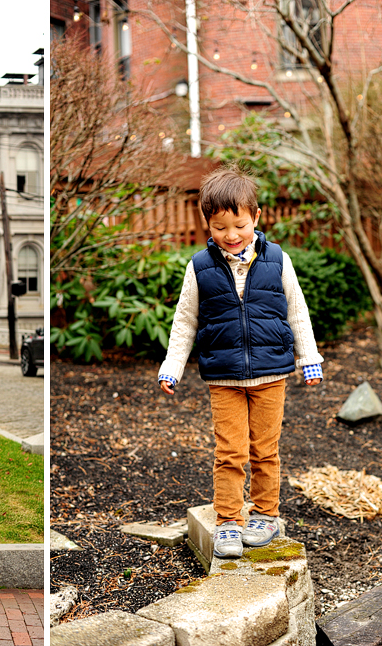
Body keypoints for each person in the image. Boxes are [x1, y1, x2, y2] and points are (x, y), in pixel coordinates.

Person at [158, 164, 324, 560]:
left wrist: (309, 358)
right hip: (224, 378)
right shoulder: (199, 267)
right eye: (219, 228)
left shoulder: (278, 260)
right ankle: (229, 521)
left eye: (238, 225)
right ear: (207, 225)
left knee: (265, 450)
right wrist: (172, 366)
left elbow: (297, 311)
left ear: (256, 218)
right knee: (229, 453)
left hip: (272, 374)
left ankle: (265, 514)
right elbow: (185, 320)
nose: (230, 236)